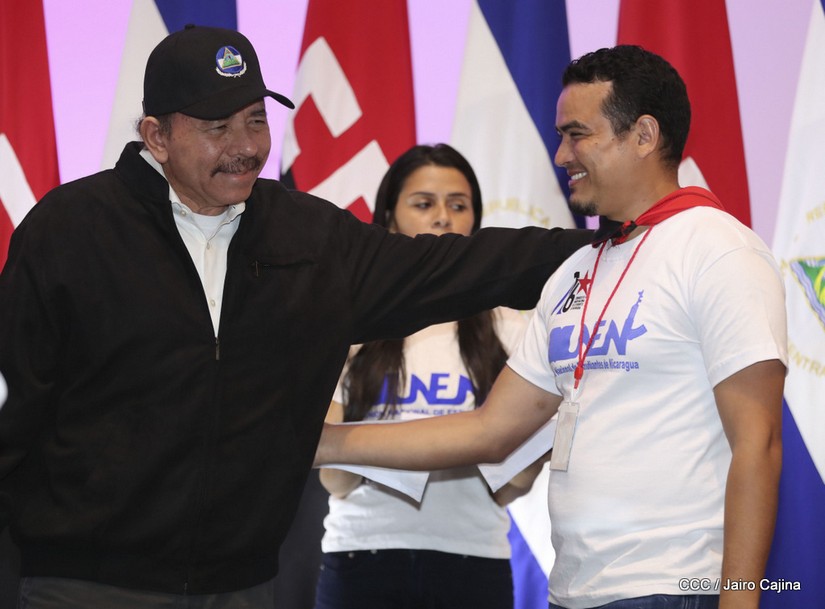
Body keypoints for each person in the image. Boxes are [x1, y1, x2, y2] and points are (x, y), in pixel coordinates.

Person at [0, 25, 592, 608]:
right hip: (84, 584)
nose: (246, 146)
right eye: (218, 127)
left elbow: (449, 268)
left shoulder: (309, 235)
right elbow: (17, 409)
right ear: (157, 136)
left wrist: (601, 248)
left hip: (243, 586)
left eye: (256, 120)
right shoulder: (69, 230)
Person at [316, 45, 787, 609]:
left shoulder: (720, 250)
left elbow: (758, 442)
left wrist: (739, 599)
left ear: (643, 135)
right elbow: (490, 430)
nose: (562, 155)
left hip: (675, 587)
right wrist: (319, 442)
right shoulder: (575, 270)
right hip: (573, 590)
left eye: (576, 135)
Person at [315, 144, 548, 609]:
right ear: (389, 218)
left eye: (458, 205)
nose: (443, 217)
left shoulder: (513, 328)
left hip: (474, 559)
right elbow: (335, 481)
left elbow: (512, 486)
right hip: (360, 554)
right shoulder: (348, 325)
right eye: (424, 204)